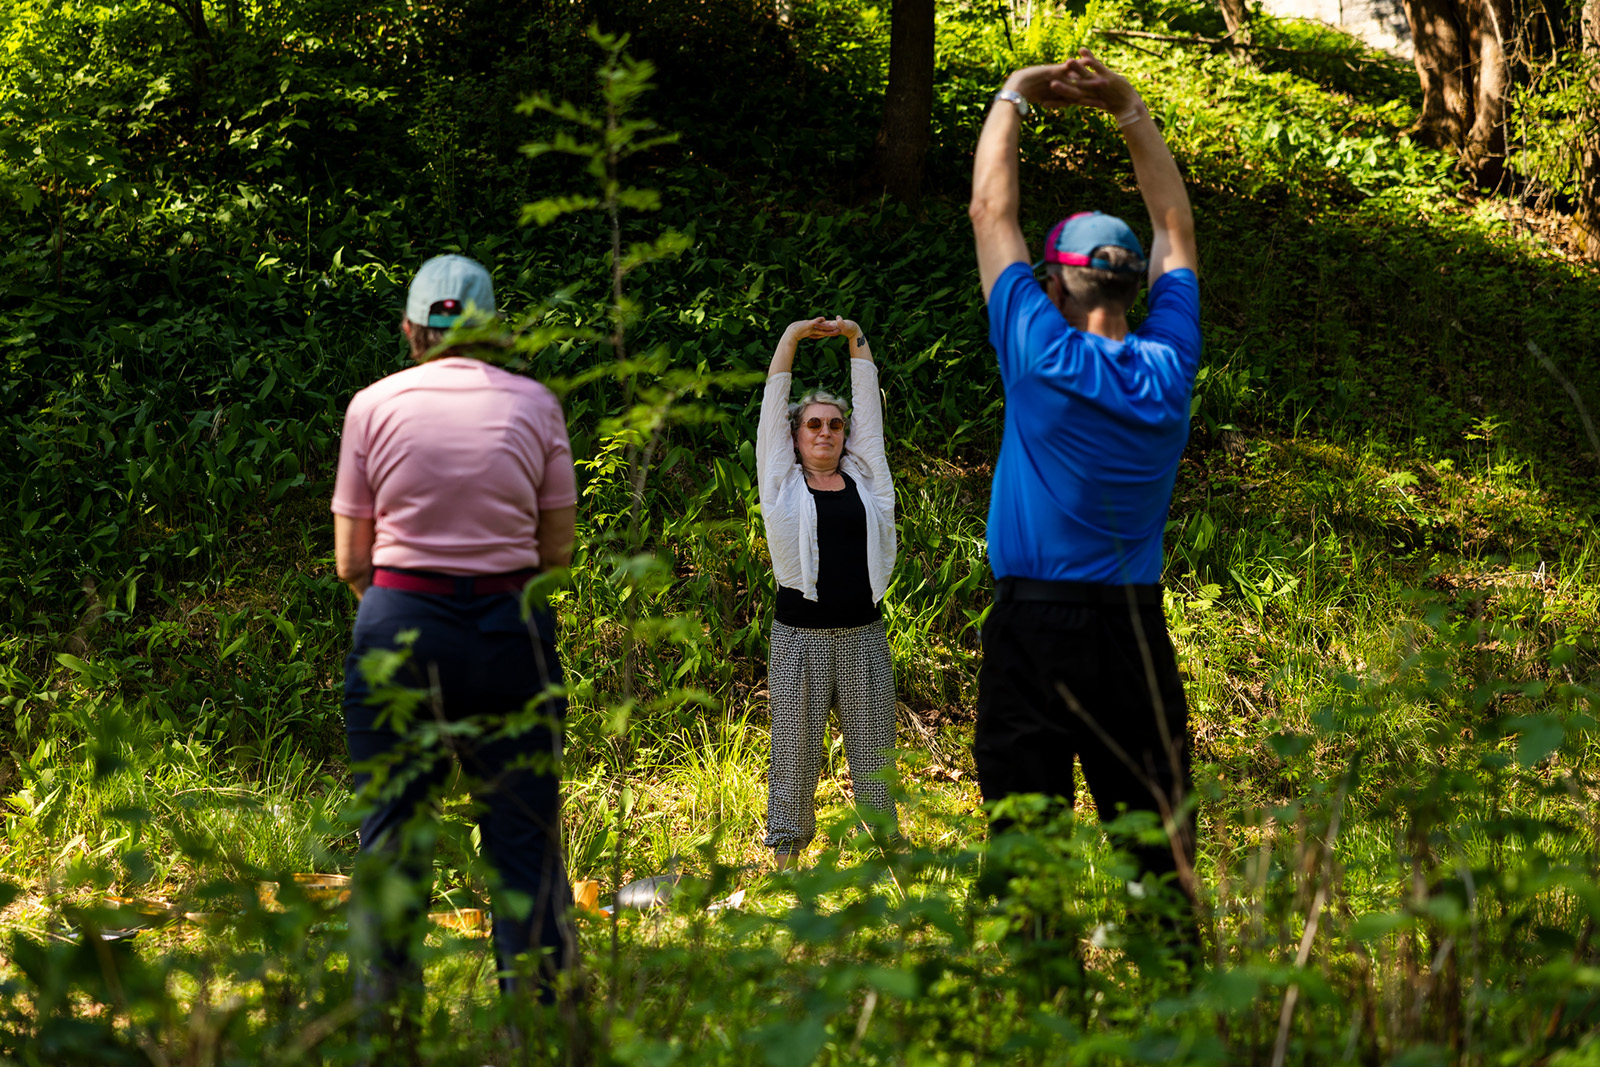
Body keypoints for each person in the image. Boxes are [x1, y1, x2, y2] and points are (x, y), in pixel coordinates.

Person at [967, 52, 1203, 905]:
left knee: (1027, 853)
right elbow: (1175, 227)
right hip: (1135, 631)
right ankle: (1176, 973)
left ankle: (1039, 978)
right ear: (1134, 283)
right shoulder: (1170, 365)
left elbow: (990, 210)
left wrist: (1015, 93)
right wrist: (1130, 108)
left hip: (1035, 626)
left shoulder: (1041, 354)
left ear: (1057, 282)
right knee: (1159, 853)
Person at [331, 254, 579, 1020]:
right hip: (510, 633)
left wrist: (408, 608)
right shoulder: (535, 405)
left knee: (391, 839)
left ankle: (389, 1033)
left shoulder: (372, 406)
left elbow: (351, 560)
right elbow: (557, 552)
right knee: (523, 840)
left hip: (400, 627)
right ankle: (534, 1029)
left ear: (410, 329)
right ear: (491, 329)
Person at [756, 315, 900, 869]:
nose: (825, 432)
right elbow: (774, 406)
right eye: (813, 424)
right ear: (796, 436)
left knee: (874, 754)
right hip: (800, 641)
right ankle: (786, 863)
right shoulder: (782, 483)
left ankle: (882, 858)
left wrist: (855, 335)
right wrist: (791, 337)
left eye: (835, 424)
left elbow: (871, 420)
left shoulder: (868, 479)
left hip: (864, 636)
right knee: (794, 755)